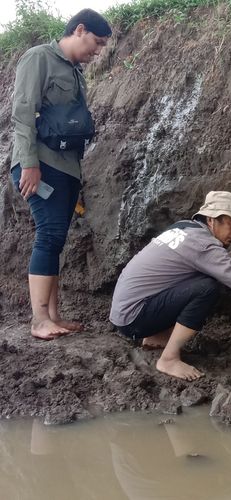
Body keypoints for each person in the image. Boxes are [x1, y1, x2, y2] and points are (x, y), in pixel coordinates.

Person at [109, 191, 231, 381]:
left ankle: (155, 337)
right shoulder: (204, 245)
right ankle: (168, 359)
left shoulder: (183, 227)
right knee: (207, 288)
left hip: (124, 311)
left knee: (194, 279)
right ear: (211, 220)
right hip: (134, 318)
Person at [10, 9, 111, 340]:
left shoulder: (76, 71)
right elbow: (23, 112)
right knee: (49, 236)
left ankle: (53, 315)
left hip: (66, 167)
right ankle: (39, 320)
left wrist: (77, 180)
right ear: (79, 30)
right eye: (96, 43)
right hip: (40, 163)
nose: (98, 51)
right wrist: (29, 163)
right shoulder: (39, 58)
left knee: (55, 239)